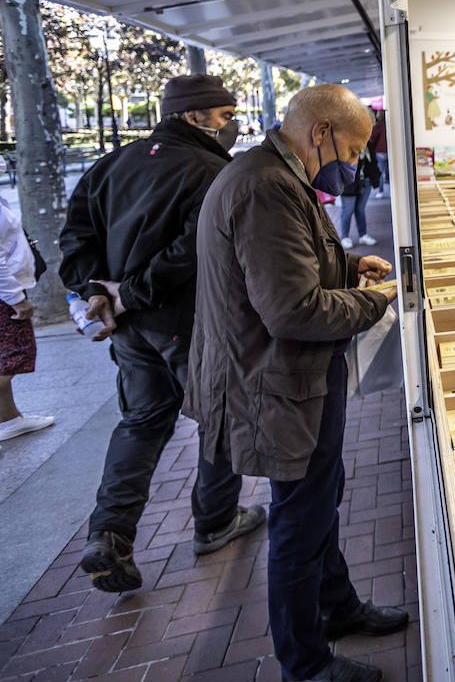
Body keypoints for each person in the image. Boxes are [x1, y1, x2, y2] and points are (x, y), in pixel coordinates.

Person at [186, 84, 404, 682]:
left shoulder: (271, 175)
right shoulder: (266, 186)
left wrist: (344, 267)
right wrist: (371, 302)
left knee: (319, 501)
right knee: (300, 520)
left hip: (289, 379)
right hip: (276, 384)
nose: (357, 164)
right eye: (355, 149)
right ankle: (304, 662)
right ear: (321, 132)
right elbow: (291, 310)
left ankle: (339, 608)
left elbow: (284, 273)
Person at [59, 74, 262, 593]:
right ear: (194, 116)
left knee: (142, 422)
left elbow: (76, 236)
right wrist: (128, 292)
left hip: (130, 330)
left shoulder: (112, 164)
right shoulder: (214, 169)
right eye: (223, 115)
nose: (231, 124)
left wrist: (96, 292)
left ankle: (109, 534)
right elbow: (193, 249)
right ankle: (216, 521)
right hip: (188, 322)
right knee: (219, 415)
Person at [0, 199, 53, 447]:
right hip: (5, 294)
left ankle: (9, 420)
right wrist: (16, 299)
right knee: (13, 355)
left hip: (8, 289)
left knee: (6, 357)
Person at [336, 147, 381, 249]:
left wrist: (375, 177)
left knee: (360, 209)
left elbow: (372, 162)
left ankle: (363, 235)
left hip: (366, 181)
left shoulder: (368, 144)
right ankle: (345, 237)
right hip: (349, 183)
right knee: (348, 210)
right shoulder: (346, 145)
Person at [368, 110, 388, 198]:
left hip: (380, 152)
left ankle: (381, 191)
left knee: (380, 172)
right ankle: (393, 191)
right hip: (390, 151)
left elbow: (373, 138)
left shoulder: (378, 125)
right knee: (391, 172)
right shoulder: (390, 124)